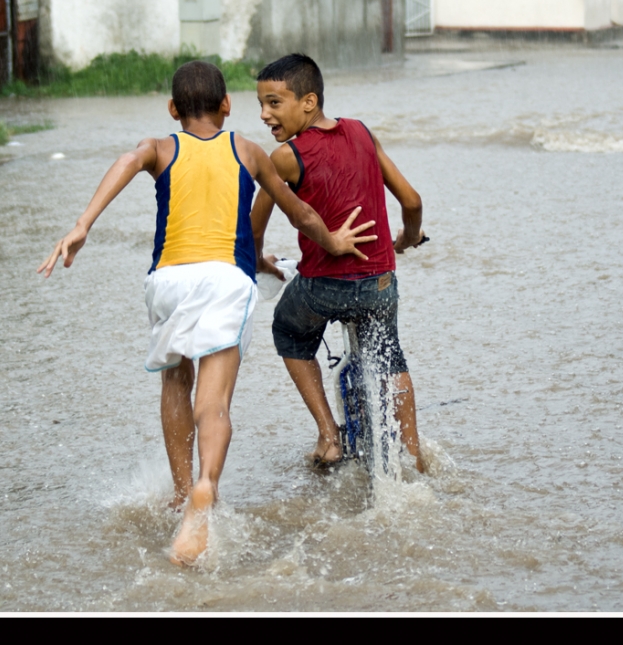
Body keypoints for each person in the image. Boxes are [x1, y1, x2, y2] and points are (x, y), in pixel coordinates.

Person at [37, 60, 376, 565]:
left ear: (173, 109)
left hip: (168, 281)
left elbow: (127, 161)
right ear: (227, 106)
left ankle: (179, 496)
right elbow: (298, 211)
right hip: (224, 283)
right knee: (213, 403)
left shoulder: (161, 147)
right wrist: (332, 240)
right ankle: (205, 489)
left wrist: (83, 223)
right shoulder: (247, 149)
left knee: (176, 381)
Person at [251, 53, 427, 473]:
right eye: (261, 104)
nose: (263, 115)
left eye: (274, 103)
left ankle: (329, 435)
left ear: (308, 102)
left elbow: (255, 225)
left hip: (326, 285)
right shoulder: (362, 132)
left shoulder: (286, 157)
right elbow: (412, 201)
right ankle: (415, 456)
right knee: (390, 359)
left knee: (288, 330)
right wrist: (405, 238)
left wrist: (260, 261)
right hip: (380, 282)